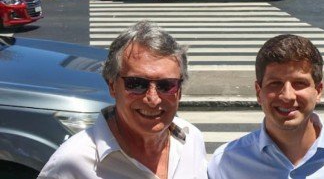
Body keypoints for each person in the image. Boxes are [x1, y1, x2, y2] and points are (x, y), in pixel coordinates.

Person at [38, 21, 208, 179]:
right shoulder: (72, 163)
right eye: (136, 84)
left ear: (179, 91)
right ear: (112, 86)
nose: (153, 99)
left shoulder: (192, 140)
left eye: (166, 85)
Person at [208, 34, 324, 179]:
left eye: (299, 83)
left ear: (318, 91)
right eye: (275, 83)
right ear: (258, 91)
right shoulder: (226, 163)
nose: (287, 96)